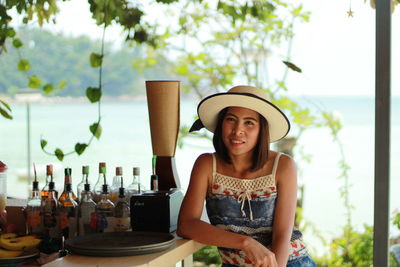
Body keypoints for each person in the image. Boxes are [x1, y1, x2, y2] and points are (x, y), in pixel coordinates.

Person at [177, 85, 315, 267]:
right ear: (221, 123)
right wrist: (245, 243)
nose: (237, 130)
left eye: (249, 122)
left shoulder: (282, 165)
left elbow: (282, 235)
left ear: (261, 130)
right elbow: (186, 225)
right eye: (231, 119)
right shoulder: (206, 165)